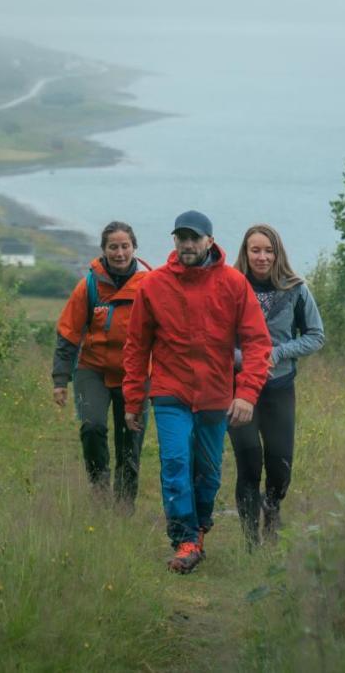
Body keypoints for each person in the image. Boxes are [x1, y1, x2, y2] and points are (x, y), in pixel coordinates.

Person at [123, 210, 272, 573]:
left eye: (195, 238)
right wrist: (133, 400)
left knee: (209, 471)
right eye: (182, 238)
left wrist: (247, 393)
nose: (188, 244)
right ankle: (184, 538)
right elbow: (136, 345)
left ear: (209, 240)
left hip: (215, 394)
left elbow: (257, 342)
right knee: (174, 462)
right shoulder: (154, 285)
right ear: (174, 241)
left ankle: (200, 527)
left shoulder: (234, 283)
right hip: (170, 392)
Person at [229, 224, 325, 545]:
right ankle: (250, 542)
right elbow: (216, 339)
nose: (262, 256)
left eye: (268, 250)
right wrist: (247, 358)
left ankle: (272, 510)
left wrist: (278, 352)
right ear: (245, 252)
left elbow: (316, 336)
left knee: (280, 465)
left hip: (280, 387)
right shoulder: (230, 286)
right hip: (240, 390)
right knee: (249, 461)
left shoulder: (295, 289)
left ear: (278, 253)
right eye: (255, 250)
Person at [52, 221, 151, 509]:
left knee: (130, 437)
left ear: (134, 247)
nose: (119, 253)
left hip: (136, 373)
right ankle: (99, 486)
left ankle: (124, 504)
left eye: (125, 246)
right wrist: (60, 380)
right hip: (92, 369)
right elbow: (68, 332)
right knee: (92, 426)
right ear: (104, 250)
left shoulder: (152, 284)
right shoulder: (89, 285)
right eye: (113, 247)